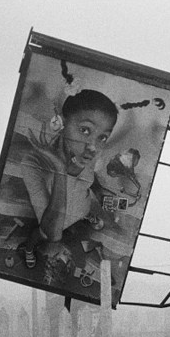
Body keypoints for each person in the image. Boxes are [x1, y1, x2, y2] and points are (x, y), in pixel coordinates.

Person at [20, 89, 119, 270]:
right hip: (54, 223)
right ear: (64, 122)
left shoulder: (86, 155)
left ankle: (84, 214)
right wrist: (60, 170)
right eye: (84, 130)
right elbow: (52, 232)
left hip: (80, 208)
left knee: (83, 206)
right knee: (39, 236)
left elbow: (87, 182)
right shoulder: (32, 164)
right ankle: (28, 250)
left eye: (102, 137)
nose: (93, 147)